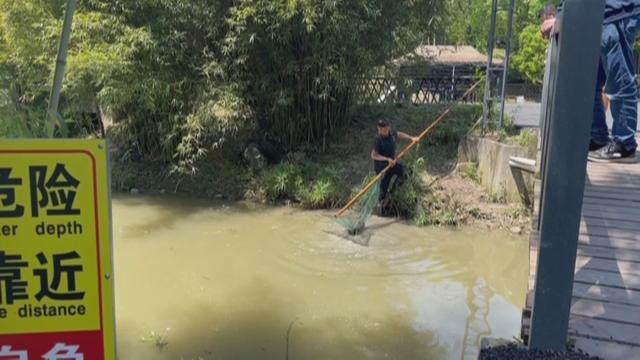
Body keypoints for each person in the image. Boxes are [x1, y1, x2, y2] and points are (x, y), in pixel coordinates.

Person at [542, 0, 640, 162]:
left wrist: (562, 15)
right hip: (602, 13)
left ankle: (624, 144)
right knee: (592, 79)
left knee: (619, 78)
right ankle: (598, 137)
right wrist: (562, 13)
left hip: (615, 12)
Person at [371, 119, 419, 204]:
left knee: (407, 172)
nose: (384, 131)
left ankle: (392, 192)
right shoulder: (377, 140)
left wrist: (411, 138)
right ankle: (380, 205)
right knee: (382, 193)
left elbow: (399, 134)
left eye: (386, 129)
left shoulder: (392, 133)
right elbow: (374, 155)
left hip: (392, 165)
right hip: (383, 169)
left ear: (388, 127)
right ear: (378, 129)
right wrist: (387, 159)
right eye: (382, 130)